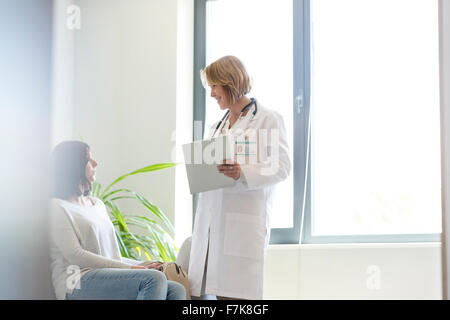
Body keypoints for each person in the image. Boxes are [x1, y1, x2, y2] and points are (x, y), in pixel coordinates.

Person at [188, 55, 291, 300]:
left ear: (230, 82)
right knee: (206, 296)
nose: (212, 93)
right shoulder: (216, 126)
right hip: (212, 226)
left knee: (236, 298)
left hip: (242, 227)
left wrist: (242, 172)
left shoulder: (267, 119)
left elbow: (282, 166)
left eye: (214, 86)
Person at [49, 140, 186, 300]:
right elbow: (76, 255)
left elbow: (112, 256)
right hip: (74, 281)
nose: (95, 163)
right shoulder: (56, 207)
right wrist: (133, 269)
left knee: (176, 289)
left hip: (105, 275)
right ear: (74, 165)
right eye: (88, 159)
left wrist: (142, 265)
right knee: (152, 279)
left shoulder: (97, 204)